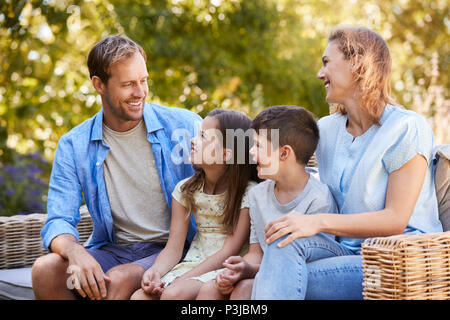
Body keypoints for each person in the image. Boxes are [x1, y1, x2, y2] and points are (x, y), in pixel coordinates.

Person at [251, 26, 443, 300]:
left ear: (357, 63)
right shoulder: (327, 129)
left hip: (392, 262)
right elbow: (284, 155)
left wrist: (317, 222)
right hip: (344, 251)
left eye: (326, 62)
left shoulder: (406, 127)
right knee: (284, 240)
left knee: (274, 280)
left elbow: (395, 219)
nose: (320, 74)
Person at [31, 35, 201, 300]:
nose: (140, 92)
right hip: (113, 250)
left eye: (143, 80)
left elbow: (239, 171)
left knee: (118, 280)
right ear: (99, 85)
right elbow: (59, 220)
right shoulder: (74, 145)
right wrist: (77, 253)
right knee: (46, 270)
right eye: (128, 84)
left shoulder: (184, 127)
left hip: (172, 250)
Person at [196, 105, 337, 300]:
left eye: (259, 146)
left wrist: (253, 271)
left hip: (299, 277)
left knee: (245, 289)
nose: (251, 152)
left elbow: (314, 262)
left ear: (284, 153)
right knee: (219, 289)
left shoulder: (318, 199)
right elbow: (256, 252)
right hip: (266, 271)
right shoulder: (257, 194)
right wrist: (243, 268)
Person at [130, 109, 259, 300]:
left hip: (224, 267)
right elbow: (173, 248)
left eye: (203, 136)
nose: (192, 140)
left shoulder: (248, 193)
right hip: (192, 263)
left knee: (173, 294)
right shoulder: (186, 190)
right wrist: (155, 271)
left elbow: (230, 250)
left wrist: (184, 279)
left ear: (225, 154)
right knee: (139, 298)